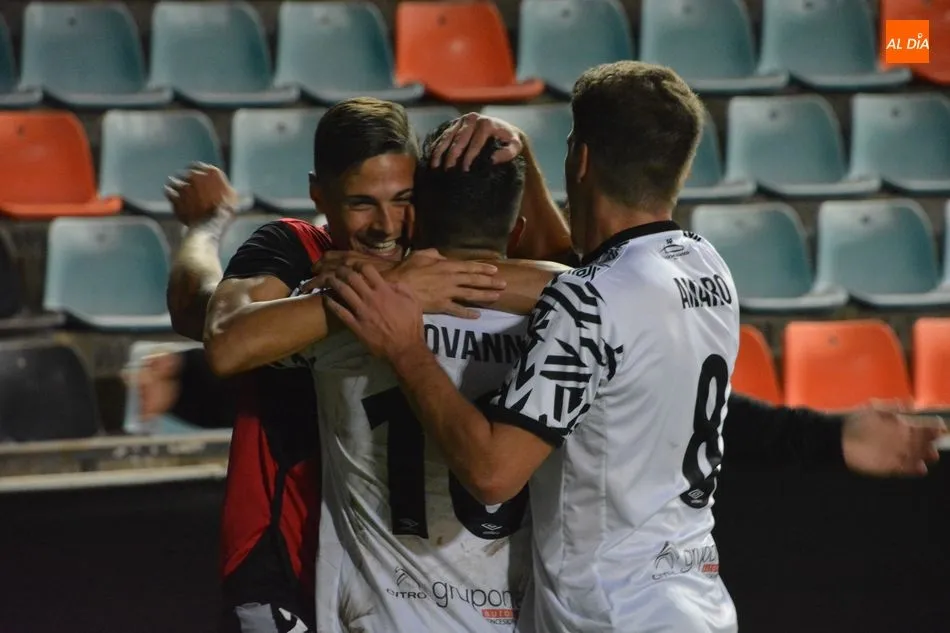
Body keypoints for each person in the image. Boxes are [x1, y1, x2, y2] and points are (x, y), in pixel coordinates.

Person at [321, 62, 946, 633]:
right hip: (697, 604)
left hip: (611, 616)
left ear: (583, 160)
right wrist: (828, 438)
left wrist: (406, 348)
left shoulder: (586, 304)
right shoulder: (708, 271)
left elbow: (491, 474)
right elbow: (624, 319)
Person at [163, 100, 512, 633]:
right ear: (318, 194)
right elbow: (221, 336)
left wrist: (518, 146)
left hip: (394, 588)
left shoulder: (436, 263)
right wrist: (206, 229)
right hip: (284, 566)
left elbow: (573, 274)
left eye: (403, 198)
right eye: (360, 203)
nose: (385, 224)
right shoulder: (295, 249)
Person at [281, 125, 547, 631]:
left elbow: (227, 344)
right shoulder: (568, 325)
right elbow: (585, 277)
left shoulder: (352, 311)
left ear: (416, 221)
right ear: (517, 232)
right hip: (514, 618)